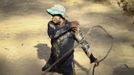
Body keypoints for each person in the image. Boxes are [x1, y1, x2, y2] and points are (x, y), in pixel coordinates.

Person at [42, 4, 98, 75]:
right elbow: (52, 35)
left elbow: (83, 43)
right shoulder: (51, 24)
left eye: (53, 15)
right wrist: (68, 26)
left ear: (61, 16)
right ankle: (50, 66)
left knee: (68, 72)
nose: (51, 17)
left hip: (67, 60)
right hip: (54, 56)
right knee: (50, 65)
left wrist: (92, 58)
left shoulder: (73, 29)